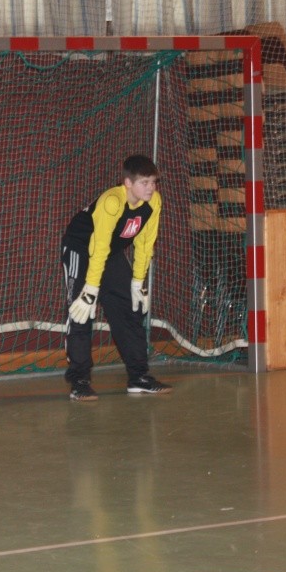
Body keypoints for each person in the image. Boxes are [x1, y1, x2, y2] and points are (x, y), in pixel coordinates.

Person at [61, 154, 172, 401]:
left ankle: (139, 377)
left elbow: (145, 244)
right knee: (81, 311)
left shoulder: (153, 202)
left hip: (110, 253)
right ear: (128, 183)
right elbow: (98, 246)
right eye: (145, 183)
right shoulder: (112, 202)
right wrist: (90, 290)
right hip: (81, 247)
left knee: (129, 308)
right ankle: (79, 381)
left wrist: (137, 283)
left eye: (154, 182)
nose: (151, 188)